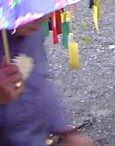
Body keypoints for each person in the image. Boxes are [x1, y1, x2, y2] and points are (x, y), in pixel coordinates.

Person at [0, 16, 96, 145]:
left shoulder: (31, 33)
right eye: (30, 9)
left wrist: (63, 129)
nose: (42, 18)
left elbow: (39, 81)